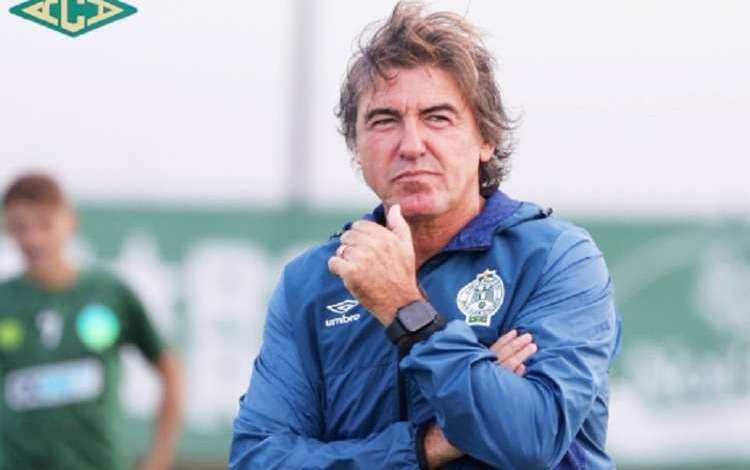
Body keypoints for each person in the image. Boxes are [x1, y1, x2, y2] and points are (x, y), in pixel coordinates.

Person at [230, 1, 622, 468]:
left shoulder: (556, 259)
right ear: (356, 145)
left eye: (438, 118)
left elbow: (531, 437)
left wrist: (404, 308)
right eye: (384, 120)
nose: (412, 146)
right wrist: (425, 446)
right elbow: (258, 459)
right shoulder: (312, 283)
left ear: (485, 139)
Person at [0, 172, 183, 470]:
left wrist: (159, 459)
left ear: (70, 221)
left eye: (45, 224)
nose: (33, 239)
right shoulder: (5, 300)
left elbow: (170, 368)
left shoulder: (109, 293)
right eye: (21, 227)